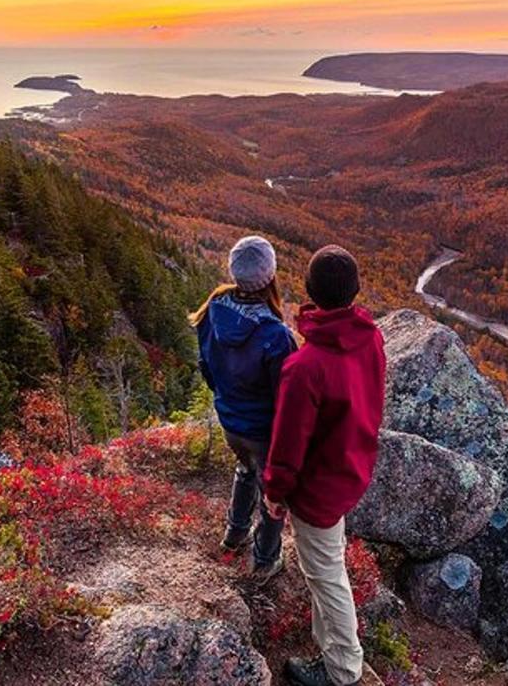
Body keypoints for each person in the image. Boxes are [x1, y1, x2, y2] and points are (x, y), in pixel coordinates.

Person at [263, 245, 386, 686]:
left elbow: (287, 446)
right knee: (325, 565)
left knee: (326, 576)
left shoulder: (305, 367)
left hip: (318, 488)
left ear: (311, 293)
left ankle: (342, 671)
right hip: (351, 468)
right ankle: (331, 651)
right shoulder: (369, 336)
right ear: (355, 292)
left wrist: (275, 492)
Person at [191, 235, 297, 582]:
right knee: (271, 491)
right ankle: (265, 561)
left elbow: (206, 366)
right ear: (270, 277)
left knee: (244, 470)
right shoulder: (275, 334)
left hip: (230, 421)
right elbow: (285, 397)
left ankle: (234, 535)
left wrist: (227, 400)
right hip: (262, 429)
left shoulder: (211, 311)